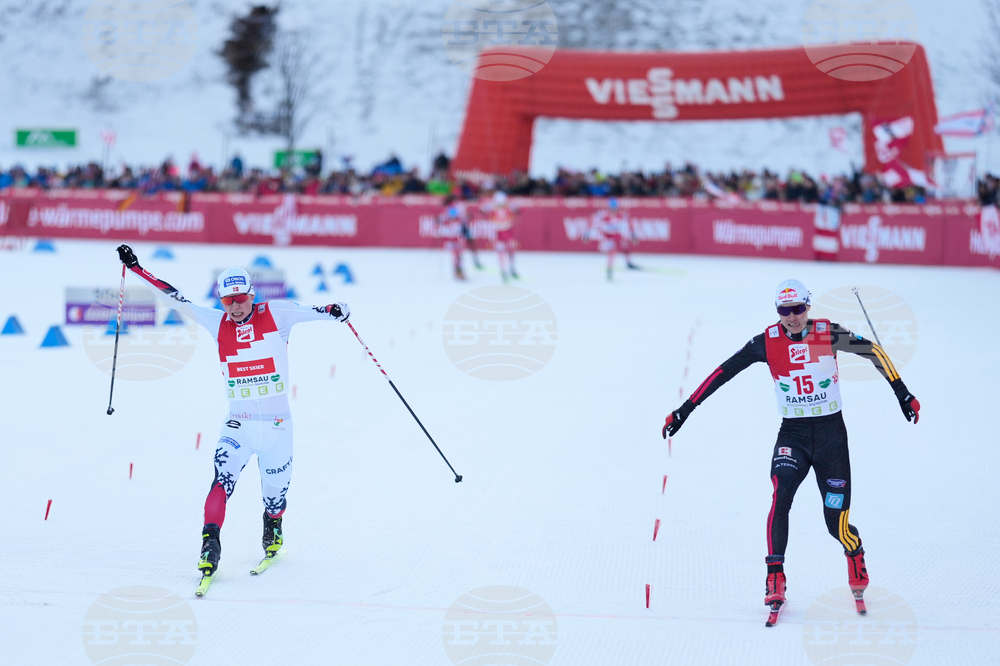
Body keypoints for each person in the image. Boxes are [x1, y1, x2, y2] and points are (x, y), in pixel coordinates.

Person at [660, 279, 920, 624]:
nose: (792, 317)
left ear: (808, 307)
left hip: (830, 439)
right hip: (793, 437)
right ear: (778, 312)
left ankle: (854, 553)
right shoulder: (766, 342)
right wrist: (685, 410)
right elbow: (723, 372)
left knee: (835, 523)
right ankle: (775, 577)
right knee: (781, 495)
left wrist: (902, 392)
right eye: (785, 310)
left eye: (798, 309)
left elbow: (872, 350)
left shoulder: (828, 333)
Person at [115, 244, 351, 592]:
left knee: (276, 497)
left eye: (240, 298)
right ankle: (210, 542)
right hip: (238, 425)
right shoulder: (217, 322)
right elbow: (177, 299)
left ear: (251, 295)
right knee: (221, 480)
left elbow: (320, 310)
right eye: (227, 301)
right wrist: (137, 269)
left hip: (277, 427)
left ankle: (273, 522)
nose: (235, 307)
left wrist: (337, 310)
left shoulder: (277, 313)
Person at [593, 198, 638, 280]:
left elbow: (629, 223)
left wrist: (633, 234)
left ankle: (628, 262)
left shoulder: (622, 214)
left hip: (617, 235)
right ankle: (609, 270)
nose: (613, 210)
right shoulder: (602, 214)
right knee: (612, 252)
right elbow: (593, 221)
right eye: (612, 208)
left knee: (625, 246)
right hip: (607, 237)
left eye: (615, 208)